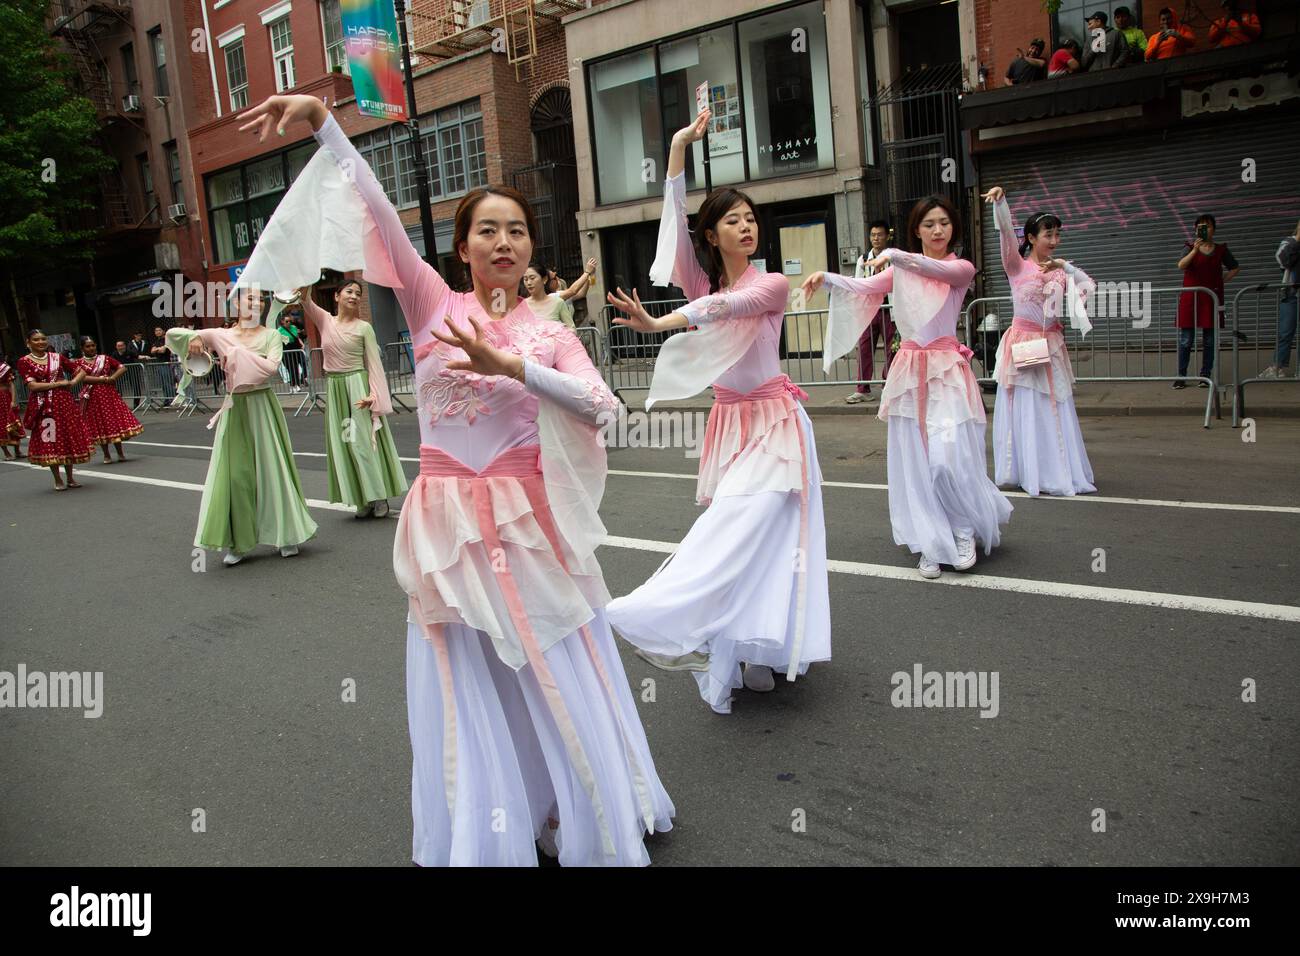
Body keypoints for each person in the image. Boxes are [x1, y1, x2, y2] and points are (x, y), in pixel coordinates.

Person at [238, 91, 674, 866]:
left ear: (530, 248)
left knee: (552, 663)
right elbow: (374, 204)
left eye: (516, 230)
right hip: (442, 520)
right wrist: (321, 122)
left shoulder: (546, 332)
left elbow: (603, 408)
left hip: (523, 520)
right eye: (486, 229)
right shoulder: (428, 301)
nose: (502, 241)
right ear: (463, 248)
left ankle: (581, 813)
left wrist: (516, 366)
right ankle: (496, 821)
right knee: (464, 673)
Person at [605, 108, 831, 715]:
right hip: (730, 422)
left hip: (777, 421)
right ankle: (738, 644)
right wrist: (678, 146)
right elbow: (673, 228)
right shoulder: (699, 284)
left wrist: (661, 322)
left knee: (757, 528)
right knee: (745, 531)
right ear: (713, 235)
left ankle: (727, 633)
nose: (746, 226)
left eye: (751, 218)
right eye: (732, 220)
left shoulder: (770, 287)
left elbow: (727, 309)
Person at [804, 196, 1012, 579]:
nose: (937, 230)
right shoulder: (900, 269)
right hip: (908, 372)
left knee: (947, 458)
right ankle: (930, 540)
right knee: (915, 463)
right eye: (929, 224)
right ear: (917, 229)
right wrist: (827, 277)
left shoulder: (959, 268)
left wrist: (898, 254)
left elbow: (932, 268)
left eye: (944, 223)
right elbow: (864, 286)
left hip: (946, 370)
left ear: (954, 228)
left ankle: (963, 529)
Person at [167, 290, 318, 564]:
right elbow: (174, 336)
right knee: (235, 475)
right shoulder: (221, 335)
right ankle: (239, 541)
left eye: (260, 300)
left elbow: (271, 369)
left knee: (273, 470)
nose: (256, 304)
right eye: (249, 299)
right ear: (236, 303)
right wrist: (196, 340)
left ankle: (286, 535)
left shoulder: (270, 335)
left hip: (263, 405)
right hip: (234, 408)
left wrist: (234, 354)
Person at [982, 187, 1097, 497]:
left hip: (1052, 342)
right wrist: (1002, 205)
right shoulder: (1018, 267)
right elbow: (1006, 234)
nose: (1054, 240)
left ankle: (1055, 468)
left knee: (1055, 404)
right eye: (1049, 234)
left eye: (1058, 234)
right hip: (1026, 340)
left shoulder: (1060, 271)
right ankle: (1028, 470)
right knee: (1030, 404)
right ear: (1031, 237)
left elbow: (1089, 286)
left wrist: (1065, 267)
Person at [297, 279, 407, 516]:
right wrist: (307, 270)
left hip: (358, 385)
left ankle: (378, 496)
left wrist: (374, 395)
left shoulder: (364, 327)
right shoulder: (325, 319)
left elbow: (374, 363)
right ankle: (362, 499)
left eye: (358, 293)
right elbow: (304, 298)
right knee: (345, 444)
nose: (354, 296)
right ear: (337, 296)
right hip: (335, 388)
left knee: (363, 443)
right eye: (349, 291)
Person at [18, 328, 92, 489]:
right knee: (50, 439)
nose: (41, 342)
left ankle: (71, 478)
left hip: (64, 404)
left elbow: (80, 371)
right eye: (36, 340)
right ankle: (57, 478)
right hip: (44, 406)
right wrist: (58, 383)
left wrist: (72, 383)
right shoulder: (24, 361)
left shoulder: (57, 357)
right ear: (28, 343)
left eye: (43, 339)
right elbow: (33, 385)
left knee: (67, 437)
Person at [1174, 214, 1239, 388]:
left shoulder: (1220, 250)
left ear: (1214, 229)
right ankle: (1181, 376)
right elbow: (1181, 265)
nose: (1204, 229)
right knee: (1186, 339)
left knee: (1210, 340)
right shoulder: (1189, 247)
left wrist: (1221, 280)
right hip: (1190, 299)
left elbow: (1234, 267)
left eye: (1208, 226)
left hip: (1211, 299)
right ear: (1196, 230)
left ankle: (1205, 375)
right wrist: (1195, 250)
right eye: (1200, 226)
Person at [73, 336, 143, 464]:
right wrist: (103, 379)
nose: (91, 348)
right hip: (92, 397)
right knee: (100, 424)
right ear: (82, 348)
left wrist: (112, 378)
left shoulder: (104, 358)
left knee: (113, 423)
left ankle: (120, 453)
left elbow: (122, 367)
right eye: (88, 346)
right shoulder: (78, 363)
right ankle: (106, 454)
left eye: (93, 345)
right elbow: (82, 378)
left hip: (108, 395)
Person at [847, 220, 894, 402]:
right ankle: (862, 388)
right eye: (873, 235)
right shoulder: (863, 259)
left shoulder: (892, 258)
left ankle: (888, 383)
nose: (876, 238)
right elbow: (859, 284)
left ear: (886, 236)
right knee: (865, 348)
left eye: (880, 234)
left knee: (892, 348)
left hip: (889, 309)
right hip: (869, 310)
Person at [1259, 220, 1300, 379]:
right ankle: (1277, 367)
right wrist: (1298, 240)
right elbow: (1282, 260)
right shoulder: (1289, 242)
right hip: (1291, 293)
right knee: (1285, 331)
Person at [522, 257, 596, 329]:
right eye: (554, 278)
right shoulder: (555, 296)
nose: (558, 279)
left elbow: (581, 293)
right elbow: (573, 290)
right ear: (546, 281)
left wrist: (589, 276)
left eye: (532, 278)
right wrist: (587, 272)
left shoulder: (558, 298)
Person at [0, 356, 27, 459]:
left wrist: (14, 400)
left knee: (13, 422)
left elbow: (11, 384)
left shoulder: (4, 367)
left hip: (6, 398)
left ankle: (17, 451)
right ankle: (6, 453)